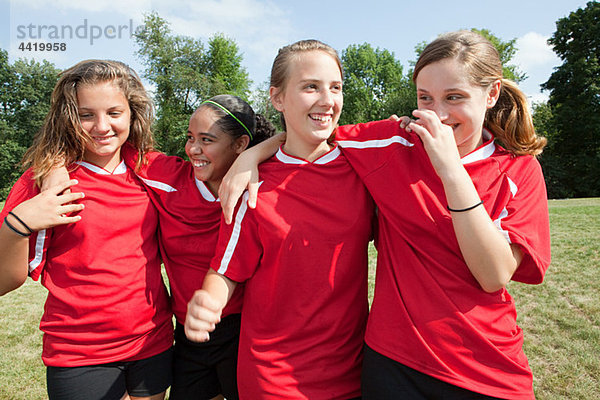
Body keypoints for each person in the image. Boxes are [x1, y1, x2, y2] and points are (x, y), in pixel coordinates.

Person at [218, 30, 551, 399]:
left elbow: (493, 275)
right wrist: (252, 155)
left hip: (486, 369)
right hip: (394, 364)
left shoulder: (519, 170)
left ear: (491, 94)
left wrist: (450, 170)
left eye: (454, 97)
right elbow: (313, 128)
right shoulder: (391, 144)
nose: (438, 115)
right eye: (425, 98)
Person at [185, 40, 375, 400]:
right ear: (277, 98)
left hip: (351, 373)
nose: (327, 100)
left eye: (335, 87)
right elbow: (226, 269)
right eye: (310, 87)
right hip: (273, 378)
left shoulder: (362, 169)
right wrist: (209, 301)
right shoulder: (253, 184)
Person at [0, 60, 173, 400]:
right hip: (79, 352)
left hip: (152, 343)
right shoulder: (44, 181)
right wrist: (17, 225)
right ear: (68, 117)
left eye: (114, 112)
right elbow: (5, 280)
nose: (102, 126)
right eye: (86, 115)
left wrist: (253, 156)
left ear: (132, 114)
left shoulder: (152, 169)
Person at [118, 94, 275, 400]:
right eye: (190, 138)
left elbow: (307, 139)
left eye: (207, 140)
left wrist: (255, 157)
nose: (193, 149)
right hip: (190, 333)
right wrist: (56, 165)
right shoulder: (169, 177)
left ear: (240, 144)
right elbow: (102, 141)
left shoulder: (260, 186)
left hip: (246, 332)